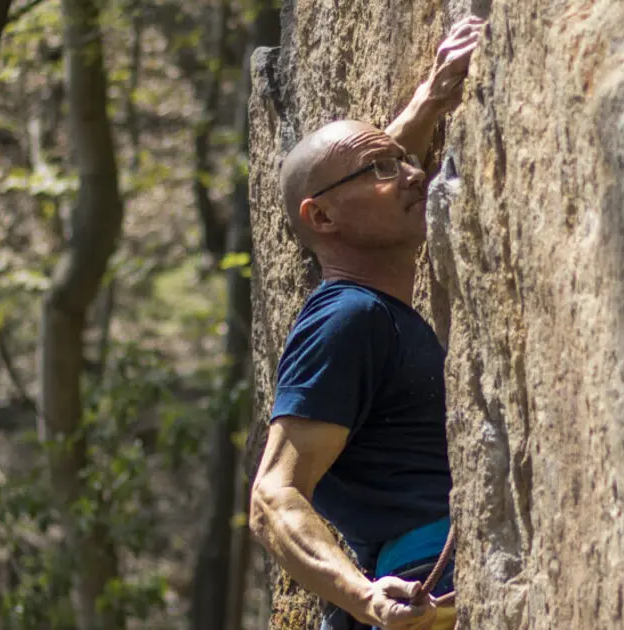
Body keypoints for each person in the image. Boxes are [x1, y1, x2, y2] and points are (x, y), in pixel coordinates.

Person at [248, 16, 486, 630]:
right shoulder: (346, 319)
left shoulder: (373, 309)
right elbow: (272, 497)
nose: (414, 174)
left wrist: (431, 99)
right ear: (321, 219)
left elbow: (354, 177)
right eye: (386, 169)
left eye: (402, 160)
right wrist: (367, 599)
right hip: (430, 583)